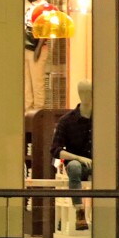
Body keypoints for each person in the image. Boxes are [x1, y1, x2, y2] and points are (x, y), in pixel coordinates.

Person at [48, 81, 93, 229]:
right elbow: (55, 149)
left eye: (89, 92)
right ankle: (79, 212)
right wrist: (78, 158)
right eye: (83, 92)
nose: (86, 96)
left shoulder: (102, 119)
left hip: (99, 164)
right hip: (78, 164)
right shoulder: (67, 121)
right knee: (74, 167)